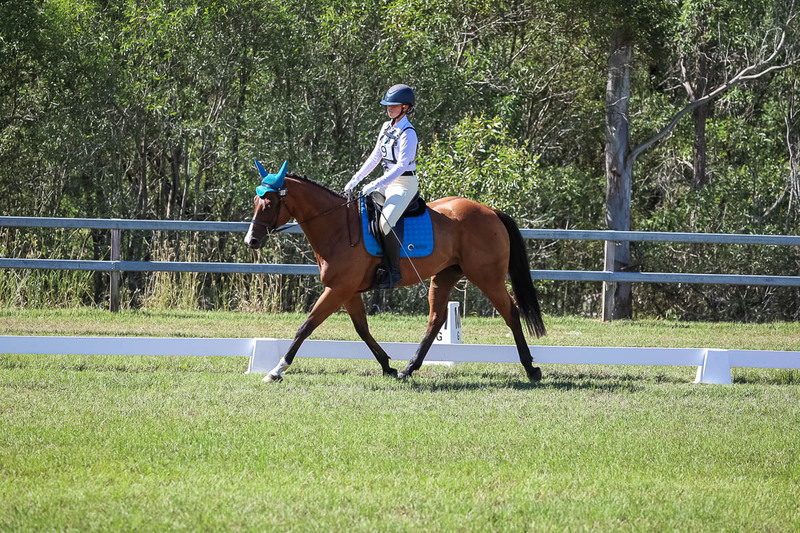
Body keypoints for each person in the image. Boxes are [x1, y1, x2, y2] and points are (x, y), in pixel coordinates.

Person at [345, 84, 418, 289]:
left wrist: (376, 183)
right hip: (388, 181)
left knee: (386, 223)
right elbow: (376, 156)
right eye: (388, 105)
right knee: (363, 208)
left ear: (405, 107)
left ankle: (393, 271)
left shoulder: (408, 132)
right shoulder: (386, 127)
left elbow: (401, 166)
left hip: (404, 184)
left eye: (394, 106)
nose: (390, 108)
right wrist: (356, 179)